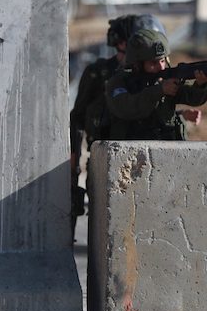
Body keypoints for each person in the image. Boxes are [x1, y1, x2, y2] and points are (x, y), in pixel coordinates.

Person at [68, 14, 165, 226]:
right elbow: (78, 118)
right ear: (122, 44)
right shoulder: (99, 74)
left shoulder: (155, 72)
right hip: (109, 162)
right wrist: (73, 162)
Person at [104, 28, 207, 141]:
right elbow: (126, 108)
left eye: (162, 61)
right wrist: (159, 91)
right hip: (131, 149)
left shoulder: (165, 80)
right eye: (153, 63)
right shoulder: (119, 82)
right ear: (137, 65)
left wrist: (201, 84)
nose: (161, 67)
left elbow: (193, 98)